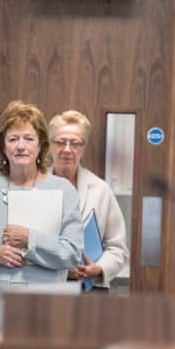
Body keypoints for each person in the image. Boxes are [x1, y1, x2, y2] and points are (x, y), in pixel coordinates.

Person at [0, 101, 82, 340]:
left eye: (28, 139)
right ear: (2, 146)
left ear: (41, 144)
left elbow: (72, 253)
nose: (21, 146)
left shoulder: (63, 190)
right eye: (13, 139)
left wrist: (31, 239)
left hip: (46, 303)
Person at [49, 110, 129, 291]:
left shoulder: (100, 190)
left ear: (83, 148)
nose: (67, 149)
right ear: (50, 145)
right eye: (60, 142)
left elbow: (118, 248)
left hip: (91, 290)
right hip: (46, 287)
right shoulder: (35, 186)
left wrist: (98, 268)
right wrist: (61, 268)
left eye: (75, 143)